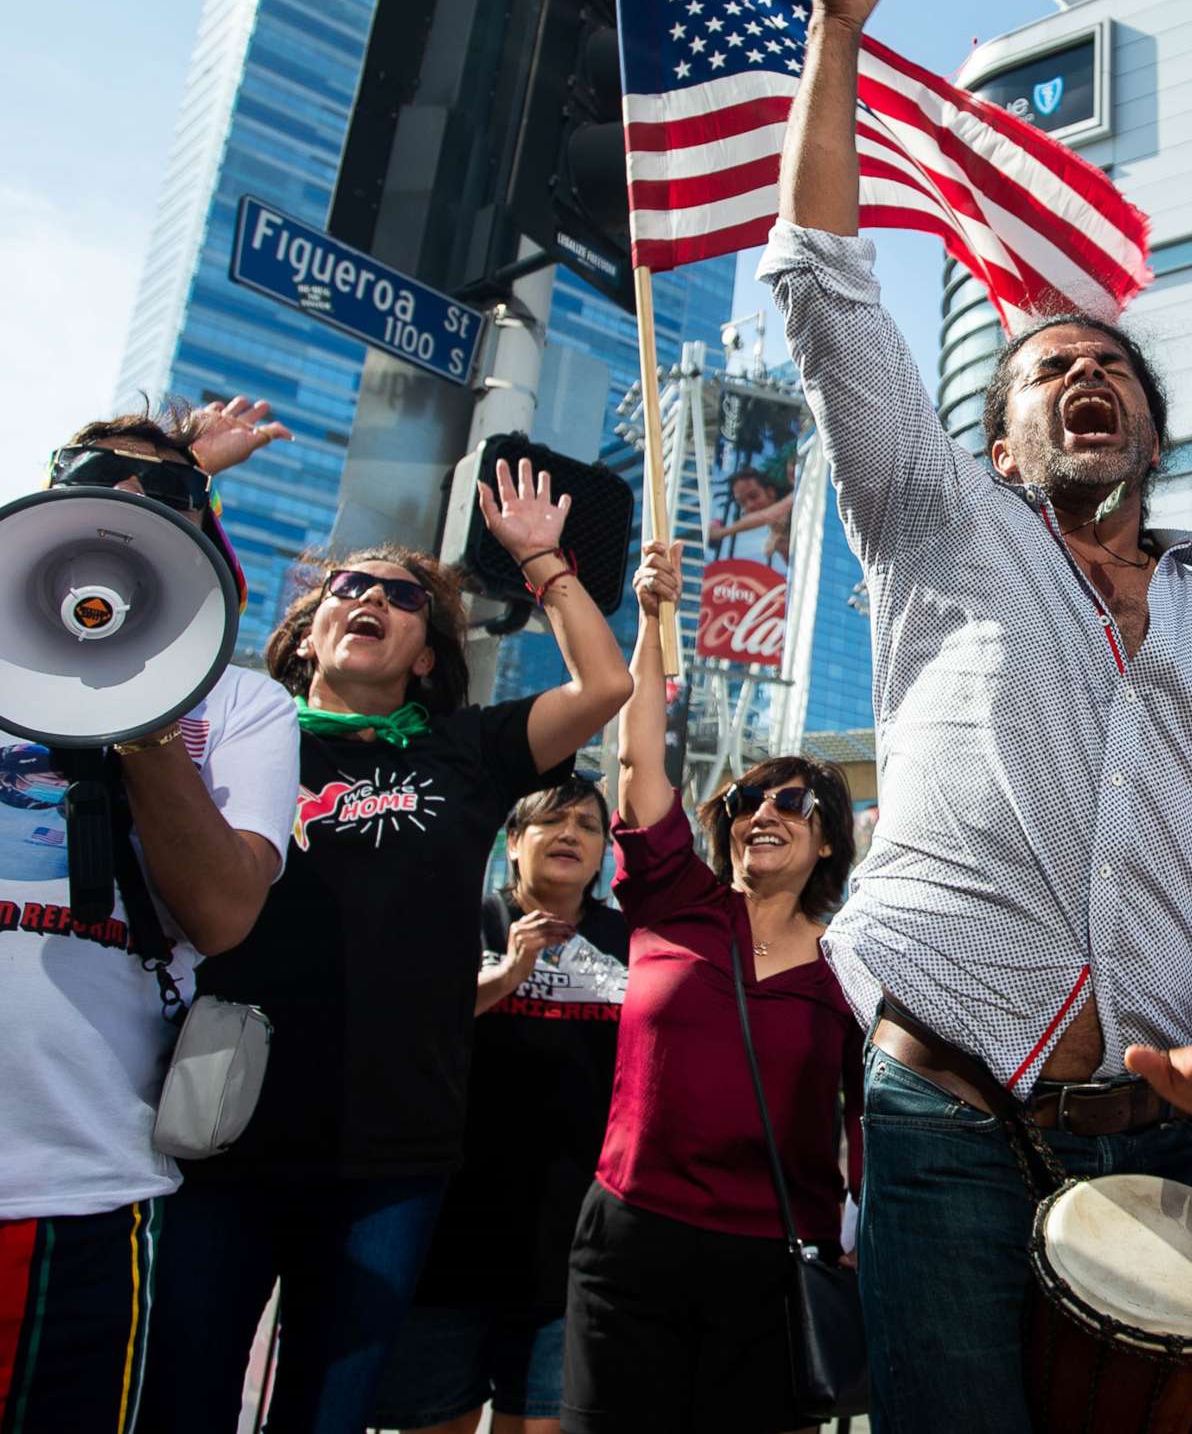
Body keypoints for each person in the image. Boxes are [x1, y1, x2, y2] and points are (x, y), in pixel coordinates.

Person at [765, 0, 1192, 1432]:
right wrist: (838, 36)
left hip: (1182, 1143)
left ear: (1152, 437)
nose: (1085, 378)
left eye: (1115, 373)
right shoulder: (938, 521)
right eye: (1045, 370)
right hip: (947, 1120)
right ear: (998, 442)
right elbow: (825, 290)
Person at [0, 399, 300, 1432]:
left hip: (75, 1193)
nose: (124, 499)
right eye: (92, 475)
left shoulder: (243, 708)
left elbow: (222, 916)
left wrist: (145, 718)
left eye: (165, 494)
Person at [136, 458, 634, 1434]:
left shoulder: (467, 750)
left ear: (424, 652)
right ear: (309, 627)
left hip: (391, 1149)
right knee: (180, 1399)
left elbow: (606, 682)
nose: (368, 598)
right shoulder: (233, 731)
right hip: (221, 1132)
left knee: (330, 1410)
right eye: (347, 586)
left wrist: (541, 562)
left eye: (402, 596)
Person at [561, 542, 865, 1434]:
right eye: (746, 800)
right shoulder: (672, 898)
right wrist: (654, 621)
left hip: (775, 1266)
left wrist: (861, 1238)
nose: (763, 811)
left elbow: (862, 1115)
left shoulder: (856, 962)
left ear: (829, 843)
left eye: (793, 803)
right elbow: (637, 763)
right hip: (629, 1244)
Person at [367, 773, 629, 1434]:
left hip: (571, 1244)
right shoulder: (466, 918)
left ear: (603, 853)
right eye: (551, 820)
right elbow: (408, 1023)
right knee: (436, 1419)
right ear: (514, 843)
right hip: (450, 1231)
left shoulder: (631, 942)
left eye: (588, 825)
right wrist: (508, 974)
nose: (570, 833)